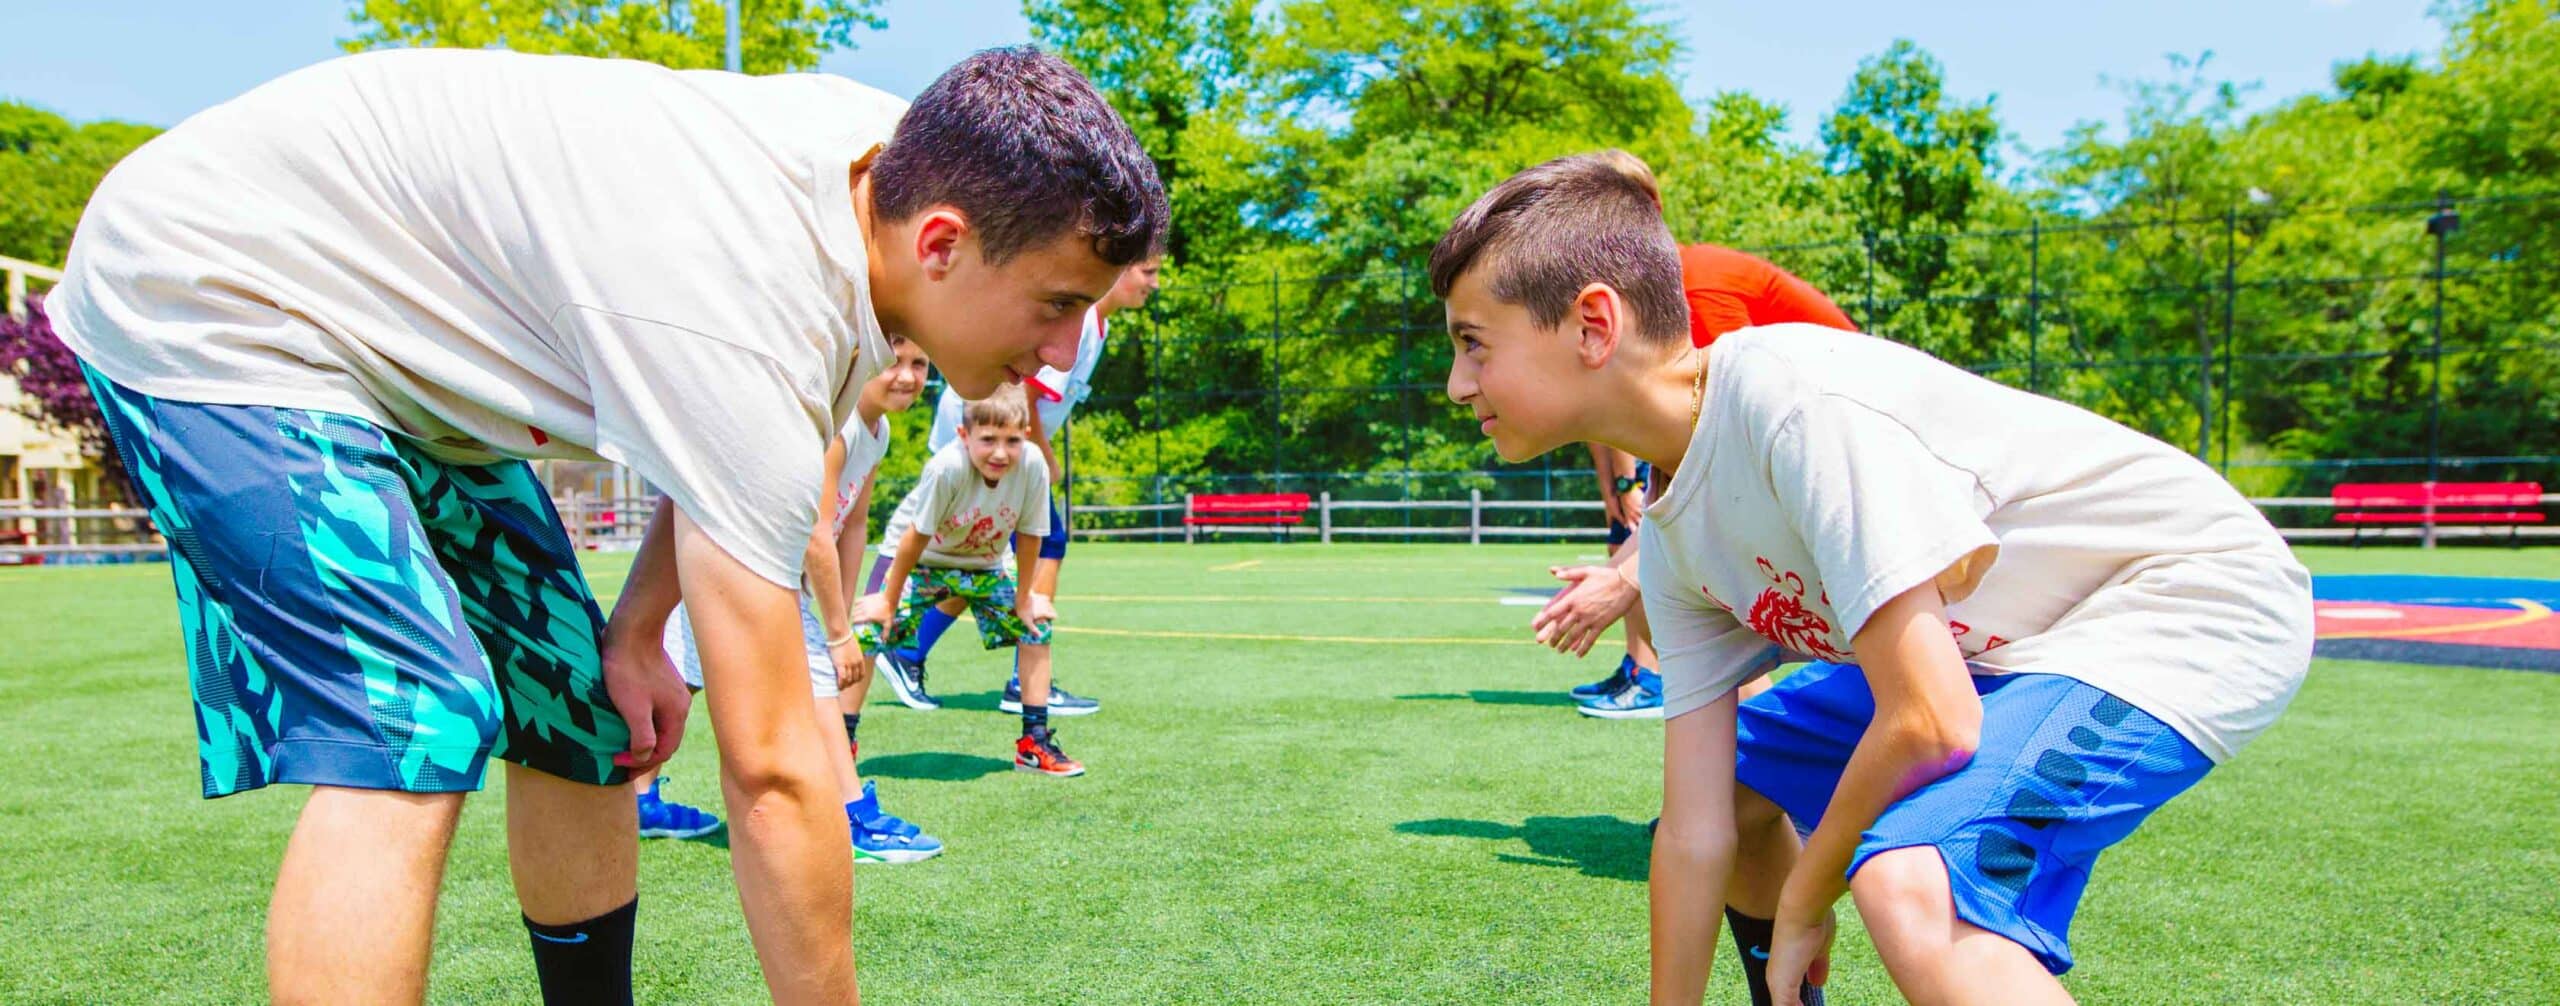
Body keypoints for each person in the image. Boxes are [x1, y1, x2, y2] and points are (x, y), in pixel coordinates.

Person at [54, 46, 1162, 1005]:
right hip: (215, 288)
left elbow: (722, 439)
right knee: (411, 715)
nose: (1064, 355)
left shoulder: (901, 160)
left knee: (583, 709)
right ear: (941, 243)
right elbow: (774, 770)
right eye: (1058, 305)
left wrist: (634, 634)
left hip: (395, 342)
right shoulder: (740, 296)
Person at [1429, 150, 2312, 1006]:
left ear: (1593, 325)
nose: (1456, 384)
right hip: (2003, 650)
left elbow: (1932, 720)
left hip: (2179, 598)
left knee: (1911, 880)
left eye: (1474, 345)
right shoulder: (1671, 538)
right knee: (1733, 797)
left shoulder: (1790, 404)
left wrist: (1810, 894)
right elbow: (1697, 832)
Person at [654, 334, 944, 863]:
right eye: (894, 362)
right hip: (748, 557)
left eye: (919, 364)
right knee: (818, 684)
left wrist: (846, 609)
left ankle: (636, 797)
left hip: (759, 561)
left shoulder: (875, 434)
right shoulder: (837, 428)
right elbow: (816, 530)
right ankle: (852, 816)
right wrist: (836, 635)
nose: (907, 375)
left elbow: (852, 524)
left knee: (679, 677)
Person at [1555, 245, 1857, 719]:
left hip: (1842, 443)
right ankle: (1757, 722)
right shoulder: (1654, 305)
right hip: (1802, 443)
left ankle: (1762, 718)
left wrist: (1625, 576)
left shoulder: (1695, 292)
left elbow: (1726, 435)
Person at [873, 251, 1163, 713]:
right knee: (1048, 542)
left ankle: (909, 652)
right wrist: (1038, 457)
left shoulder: (1095, 326)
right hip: (993, 436)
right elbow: (1023, 389)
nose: (1154, 283)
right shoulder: (1083, 322)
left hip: (992, 439)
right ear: (1120, 271)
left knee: (984, 558)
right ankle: (1023, 680)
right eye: (1147, 272)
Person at [856, 386, 1082, 777]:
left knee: (1036, 622)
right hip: (924, 560)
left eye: (1012, 440)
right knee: (869, 628)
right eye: (988, 440)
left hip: (987, 563)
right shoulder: (947, 467)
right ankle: (841, 745)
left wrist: (1025, 597)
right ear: (964, 436)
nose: (1000, 452)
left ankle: (1034, 744)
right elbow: (915, 538)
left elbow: (1030, 536)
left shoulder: (1032, 466)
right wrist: (887, 601)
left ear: (1026, 435)